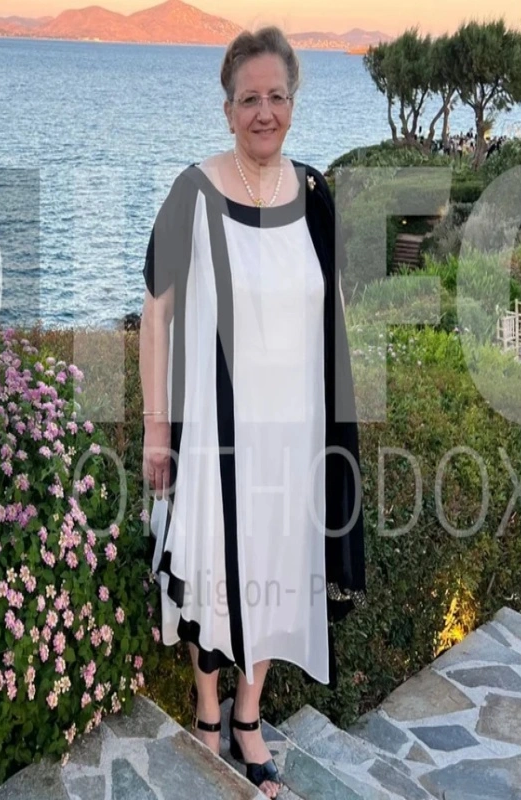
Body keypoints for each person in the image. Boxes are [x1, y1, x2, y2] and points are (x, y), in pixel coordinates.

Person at [139, 25, 364, 798]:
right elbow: (157, 314)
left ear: (293, 103)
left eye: (276, 96)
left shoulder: (316, 196)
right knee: (211, 571)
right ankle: (207, 712)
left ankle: (247, 714)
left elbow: (331, 308)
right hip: (214, 435)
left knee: (277, 567)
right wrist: (158, 428)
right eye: (248, 99)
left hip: (295, 437)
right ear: (227, 108)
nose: (263, 112)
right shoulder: (193, 193)